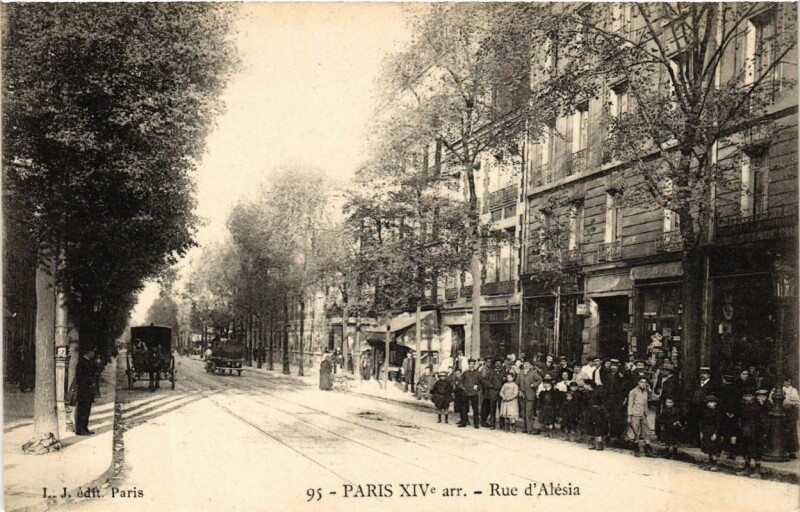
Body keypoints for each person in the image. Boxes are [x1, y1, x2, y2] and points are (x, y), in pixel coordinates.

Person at [737, 388, 765, 478]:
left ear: (753, 397)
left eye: (749, 396)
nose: (747, 398)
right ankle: (747, 468)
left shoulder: (757, 407)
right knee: (746, 450)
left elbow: (760, 421)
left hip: (755, 432)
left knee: (756, 451)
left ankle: (757, 470)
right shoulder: (742, 406)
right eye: (745, 396)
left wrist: (759, 431)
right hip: (745, 431)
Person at [771, 376, 800, 458]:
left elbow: (796, 401)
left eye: (789, 381)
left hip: (790, 412)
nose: (787, 383)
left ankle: (792, 451)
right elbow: (771, 398)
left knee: (791, 430)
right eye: (786, 381)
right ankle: (782, 449)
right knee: (781, 430)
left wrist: (788, 403)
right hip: (780, 411)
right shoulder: (777, 389)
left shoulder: (793, 390)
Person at [628, 376, 655, 457]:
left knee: (647, 431)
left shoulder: (646, 392)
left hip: (643, 414)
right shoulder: (633, 392)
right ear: (638, 382)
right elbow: (630, 404)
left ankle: (648, 449)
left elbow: (651, 399)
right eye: (642, 382)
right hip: (635, 414)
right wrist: (629, 415)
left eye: (645, 382)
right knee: (636, 432)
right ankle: (636, 449)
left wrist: (650, 391)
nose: (643, 384)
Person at [75, 347, 97, 435]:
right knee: (82, 410)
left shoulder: (88, 362)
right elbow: (80, 378)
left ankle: (85, 427)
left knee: (87, 409)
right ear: (88, 352)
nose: (94, 354)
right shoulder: (81, 363)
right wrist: (89, 383)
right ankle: (80, 429)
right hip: (83, 390)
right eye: (93, 351)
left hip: (88, 390)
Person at [517, 361, 542, 435]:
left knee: (529, 412)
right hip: (522, 395)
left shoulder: (533, 372)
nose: (526, 366)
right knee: (523, 412)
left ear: (530, 365)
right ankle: (525, 428)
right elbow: (517, 383)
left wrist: (534, 385)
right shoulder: (520, 373)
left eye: (528, 364)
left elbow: (540, 380)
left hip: (530, 395)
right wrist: (519, 391)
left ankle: (529, 429)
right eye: (525, 364)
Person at [700, 394, 723, 471]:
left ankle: (714, 464)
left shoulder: (718, 412)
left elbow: (718, 424)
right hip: (706, 431)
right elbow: (702, 422)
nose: (709, 404)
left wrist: (715, 434)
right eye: (708, 402)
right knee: (708, 448)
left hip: (713, 431)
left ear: (715, 403)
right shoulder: (705, 412)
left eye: (711, 402)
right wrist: (701, 431)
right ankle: (710, 463)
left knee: (714, 448)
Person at [483, 361, 505, 429]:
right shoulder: (491, 372)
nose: (498, 365)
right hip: (493, 391)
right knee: (492, 408)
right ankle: (492, 424)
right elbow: (484, 380)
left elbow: (508, 380)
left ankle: (502, 425)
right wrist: (490, 385)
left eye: (499, 363)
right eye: (496, 364)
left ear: (501, 364)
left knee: (501, 408)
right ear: (494, 365)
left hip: (501, 392)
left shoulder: (504, 372)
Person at [459, 359, 481, 428]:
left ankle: (476, 424)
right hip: (466, 393)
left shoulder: (477, 373)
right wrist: (463, 388)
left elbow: (481, 382)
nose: (472, 365)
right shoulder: (465, 373)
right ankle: (464, 422)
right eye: (470, 364)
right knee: (464, 408)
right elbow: (460, 382)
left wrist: (478, 387)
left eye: (473, 364)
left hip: (474, 393)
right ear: (468, 364)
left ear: (474, 365)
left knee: (475, 409)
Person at [587, 385, 609, 451]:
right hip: (595, 411)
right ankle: (596, 444)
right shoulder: (590, 393)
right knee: (596, 427)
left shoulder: (594, 393)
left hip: (596, 411)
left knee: (596, 427)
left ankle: (595, 443)